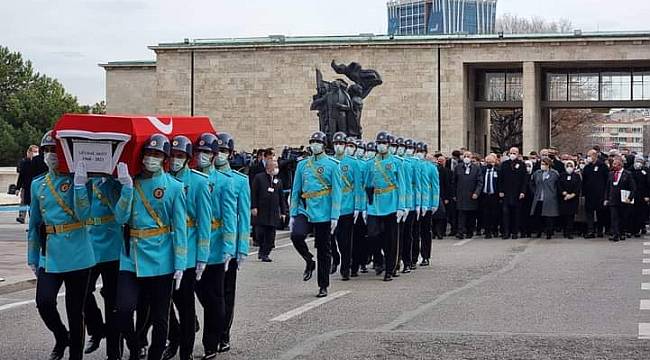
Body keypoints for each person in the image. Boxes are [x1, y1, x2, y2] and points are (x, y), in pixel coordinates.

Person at [114, 134, 187, 360]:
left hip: (161, 257)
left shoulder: (174, 187)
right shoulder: (131, 183)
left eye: (157, 154)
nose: (151, 158)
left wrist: (180, 263)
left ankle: (155, 354)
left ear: (164, 158)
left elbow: (180, 227)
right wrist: (126, 189)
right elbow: (120, 217)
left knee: (159, 317)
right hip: (132, 255)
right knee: (124, 310)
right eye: (148, 153)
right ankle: (136, 346)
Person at [28, 131, 97, 360]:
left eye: (54, 151)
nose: (50, 155)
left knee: (75, 310)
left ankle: (75, 356)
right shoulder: (38, 184)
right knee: (44, 302)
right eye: (47, 150)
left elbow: (84, 214)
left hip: (78, 251)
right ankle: (61, 336)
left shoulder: (78, 179)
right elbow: (35, 222)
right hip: (51, 253)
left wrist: (79, 185)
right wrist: (32, 256)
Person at [162, 135, 212, 360]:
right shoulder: (162, 180)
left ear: (187, 158)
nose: (175, 160)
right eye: (172, 155)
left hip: (189, 251)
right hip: (164, 249)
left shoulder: (199, 182)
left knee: (186, 303)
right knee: (164, 301)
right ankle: (174, 337)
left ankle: (186, 352)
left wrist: (202, 257)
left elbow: (204, 223)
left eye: (180, 156)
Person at [290, 131, 343, 296]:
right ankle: (308, 260)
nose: (314, 144)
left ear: (323, 144)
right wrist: (293, 213)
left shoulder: (333, 165)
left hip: (324, 211)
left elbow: (337, 192)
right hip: (305, 208)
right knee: (297, 236)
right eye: (312, 141)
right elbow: (296, 189)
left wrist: (334, 215)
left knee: (323, 249)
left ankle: (323, 285)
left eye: (317, 142)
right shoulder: (302, 165)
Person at [193, 132, 231, 360]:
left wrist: (228, 247)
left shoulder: (224, 182)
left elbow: (227, 216)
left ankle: (211, 343)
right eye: (199, 152)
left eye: (207, 152)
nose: (202, 156)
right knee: (196, 292)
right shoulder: (190, 179)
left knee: (214, 296)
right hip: (193, 242)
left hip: (215, 245)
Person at [82, 166, 127, 359]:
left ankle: (114, 351)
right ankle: (96, 328)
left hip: (112, 243)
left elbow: (120, 213)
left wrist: (108, 183)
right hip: (89, 243)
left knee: (113, 301)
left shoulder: (115, 183)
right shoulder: (84, 181)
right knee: (82, 293)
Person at [213, 132, 250, 354]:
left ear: (231, 154)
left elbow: (244, 217)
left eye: (224, 151)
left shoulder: (239, 181)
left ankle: (223, 334)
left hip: (229, 244)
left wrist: (242, 247)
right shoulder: (202, 177)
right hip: (206, 243)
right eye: (216, 151)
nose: (219, 155)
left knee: (226, 292)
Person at [364, 131, 407, 282]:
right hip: (375, 203)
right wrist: (364, 206)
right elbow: (367, 185)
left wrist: (402, 206)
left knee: (391, 238)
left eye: (384, 143)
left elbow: (402, 185)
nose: (381, 146)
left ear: (388, 145)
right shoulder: (370, 163)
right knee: (372, 235)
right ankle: (379, 258)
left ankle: (390, 268)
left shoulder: (396, 162)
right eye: (379, 143)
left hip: (391, 202)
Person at [330, 133, 363, 280]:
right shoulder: (329, 161)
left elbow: (357, 186)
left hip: (347, 205)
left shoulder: (353, 163)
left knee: (345, 239)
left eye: (341, 144)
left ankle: (346, 266)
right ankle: (336, 258)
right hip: (331, 206)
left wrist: (357, 206)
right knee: (333, 237)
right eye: (336, 143)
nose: (338, 146)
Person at [251, 158, 287, 262]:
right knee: (260, 234)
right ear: (268, 167)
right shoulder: (259, 178)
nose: (276, 168)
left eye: (277, 166)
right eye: (274, 166)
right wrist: (253, 206)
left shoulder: (278, 181)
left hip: (273, 212)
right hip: (261, 211)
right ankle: (261, 250)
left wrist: (283, 212)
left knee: (271, 236)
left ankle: (265, 254)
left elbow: (281, 198)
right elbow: (253, 193)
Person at [394, 137, 418, 273]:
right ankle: (394, 261)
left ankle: (407, 261)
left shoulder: (408, 164)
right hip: (392, 204)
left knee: (406, 234)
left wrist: (407, 205)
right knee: (394, 235)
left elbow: (409, 186)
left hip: (407, 204)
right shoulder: (393, 162)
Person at [413, 143, 439, 266]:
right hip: (414, 203)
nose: (419, 153)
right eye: (417, 150)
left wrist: (434, 202)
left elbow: (435, 186)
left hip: (427, 203)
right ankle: (413, 256)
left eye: (421, 151)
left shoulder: (431, 167)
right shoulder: (413, 165)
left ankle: (425, 256)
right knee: (414, 231)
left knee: (425, 231)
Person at [351, 141, 372, 277]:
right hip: (347, 205)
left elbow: (364, 188)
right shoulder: (346, 163)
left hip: (362, 205)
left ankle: (361, 262)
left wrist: (363, 207)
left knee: (361, 237)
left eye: (359, 148)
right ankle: (353, 263)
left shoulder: (365, 165)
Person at [605, 157, 636, 242]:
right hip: (613, 200)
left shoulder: (627, 174)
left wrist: (630, 198)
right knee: (614, 218)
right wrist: (606, 198)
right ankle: (615, 234)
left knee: (622, 218)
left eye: (615, 164)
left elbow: (633, 188)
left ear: (620, 164)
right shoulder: (611, 174)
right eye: (613, 164)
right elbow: (607, 187)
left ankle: (622, 233)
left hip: (623, 200)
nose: (613, 166)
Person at [498, 147, 527, 239]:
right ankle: (506, 232)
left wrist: (523, 191)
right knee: (505, 213)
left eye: (514, 153)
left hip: (517, 193)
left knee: (516, 214)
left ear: (518, 154)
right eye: (511, 153)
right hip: (506, 193)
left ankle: (515, 232)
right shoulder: (504, 164)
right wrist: (501, 190)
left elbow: (524, 180)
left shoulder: (522, 165)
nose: (512, 155)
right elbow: (500, 179)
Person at [453, 151, 483, 240]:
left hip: (472, 195)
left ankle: (470, 231)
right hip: (461, 195)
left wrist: (476, 193)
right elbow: (454, 182)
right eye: (465, 156)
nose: (466, 157)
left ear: (471, 157)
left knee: (471, 215)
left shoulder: (476, 168)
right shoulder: (458, 167)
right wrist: (454, 194)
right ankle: (460, 232)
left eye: (468, 156)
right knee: (461, 214)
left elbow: (480, 182)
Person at [582, 149, 610, 238]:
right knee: (589, 213)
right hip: (589, 194)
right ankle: (590, 231)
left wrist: (606, 194)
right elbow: (584, 180)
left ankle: (600, 230)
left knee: (600, 213)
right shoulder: (587, 167)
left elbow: (607, 180)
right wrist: (584, 192)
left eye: (589, 156)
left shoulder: (603, 166)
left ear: (595, 156)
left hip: (600, 194)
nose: (588, 157)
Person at [530, 158, 560, 239]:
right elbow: (532, 183)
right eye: (541, 164)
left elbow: (558, 185)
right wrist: (534, 192)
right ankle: (539, 231)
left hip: (550, 198)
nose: (542, 166)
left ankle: (549, 232)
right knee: (538, 216)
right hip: (539, 197)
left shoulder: (554, 174)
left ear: (548, 165)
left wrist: (555, 193)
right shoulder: (537, 173)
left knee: (549, 217)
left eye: (544, 164)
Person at [16, 144, 47, 223]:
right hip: (26, 187)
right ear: (29, 152)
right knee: (25, 202)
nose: (35, 153)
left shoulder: (41, 162)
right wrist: (17, 188)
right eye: (34, 151)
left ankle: (32, 221)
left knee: (34, 204)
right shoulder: (24, 163)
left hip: (37, 187)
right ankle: (22, 217)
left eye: (37, 152)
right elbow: (21, 176)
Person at [558, 160, 581, 239]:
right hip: (563, 198)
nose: (569, 168)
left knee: (571, 216)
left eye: (571, 166)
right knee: (564, 216)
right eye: (567, 166)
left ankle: (569, 232)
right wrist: (564, 193)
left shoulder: (577, 176)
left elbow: (578, 187)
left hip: (573, 199)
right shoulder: (561, 175)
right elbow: (559, 185)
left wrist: (572, 195)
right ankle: (564, 231)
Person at [480, 154, 500, 239]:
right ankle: (487, 232)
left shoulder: (498, 171)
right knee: (485, 214)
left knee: (495, 214)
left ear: (495, 162)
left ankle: (495, 229)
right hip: (484, 195)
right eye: (488, 162)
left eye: (491, 162)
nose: (489, 163)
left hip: (494, 195)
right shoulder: (482, 170)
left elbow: (500, 183)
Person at [432, 154, 452, 240]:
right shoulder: (434, 169)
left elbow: (447, 185)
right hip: (434, 195)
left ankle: (440, 232)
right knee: (434, 215)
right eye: (438, 161)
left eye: (441, 161)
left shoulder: (446, 171)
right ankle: (434, 232)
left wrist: (447, 197)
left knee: (442, 215)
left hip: (442, 195)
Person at [631, 156, 650, 237]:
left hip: (643, 195)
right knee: (633, 213)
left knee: (642, 213)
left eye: (640, 161)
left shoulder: (646, 170)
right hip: (633, 195)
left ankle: (640, 228)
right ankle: (634, 229)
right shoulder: (630, 170)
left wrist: (647, 195)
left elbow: (648, 184)